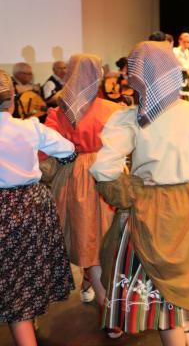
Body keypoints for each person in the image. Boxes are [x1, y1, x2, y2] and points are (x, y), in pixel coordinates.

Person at [90, 41, 189, 346]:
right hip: (187, 203)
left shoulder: (131, 119)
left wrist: (128, 195)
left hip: (150, 206)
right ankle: (187, 329)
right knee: (181, 272)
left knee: (158, 284)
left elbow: (104, 169)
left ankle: (180, 332)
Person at [43, 55, 123, 333]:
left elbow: (48, 150)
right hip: (106, 176)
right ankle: (110, 312)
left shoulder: (58, 112)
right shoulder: (112, 110)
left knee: (85, 239)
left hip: (72, 179)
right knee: (104, 242)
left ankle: (91, 284)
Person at [0, 70, 75, 345]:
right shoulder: (30, 127)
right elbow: (68, 150)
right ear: (12, 100)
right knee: (23, 279)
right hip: (30, 207)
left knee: (10, 279)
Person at [173, 32, 189, 101]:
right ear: (179, 41)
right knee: (179, 97)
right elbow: (175, 64)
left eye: (188, 42)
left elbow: (188, 64)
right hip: (179, 76)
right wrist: (185, 70)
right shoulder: (176, 51)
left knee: (187, 98)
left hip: (187, 76)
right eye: (184, 42)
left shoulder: (187, 51)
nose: (186, 44)